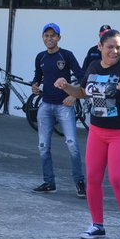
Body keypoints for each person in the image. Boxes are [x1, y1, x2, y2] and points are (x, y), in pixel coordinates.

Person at [55, 28, 120, 239]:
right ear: (100, 47)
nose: (114, 51)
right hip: (97, 130)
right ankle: (97, 225)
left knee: (116, 178)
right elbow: (82, 92)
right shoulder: (93, 66)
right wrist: (66, 86)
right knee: (94, 179)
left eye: (118, 47)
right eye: (110, 47)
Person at [30, 23, 86, 197]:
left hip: (64, 106)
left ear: (59, 37)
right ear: (43, 38)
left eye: (53, 36)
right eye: (46, 36)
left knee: (72, 144)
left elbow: (82, 77)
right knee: (43, 146)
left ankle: (80, 182)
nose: (49, 39)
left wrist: (74, 95)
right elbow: (37, 77)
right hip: (46, 105)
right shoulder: (40, 57)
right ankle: (49, 182)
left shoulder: (66, 55)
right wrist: (35, 86)